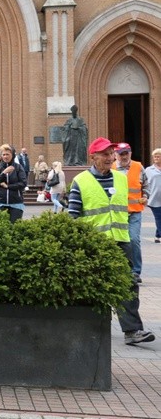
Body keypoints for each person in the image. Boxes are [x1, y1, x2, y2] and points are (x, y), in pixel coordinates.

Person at [68, 137, 155, 346]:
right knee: (90, 286)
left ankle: (132, 331)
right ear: (93, 157)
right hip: (94, 244)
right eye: (105, 154)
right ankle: (85, 328)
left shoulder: (121, 178)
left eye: (111, 154)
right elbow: (73, 216)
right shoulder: (80, 181)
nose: (109, 158)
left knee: (128, 284)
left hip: (121, 242)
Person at [112, 142, 148, 283]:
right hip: (117, 212)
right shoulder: (112, 168)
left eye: (126, 153)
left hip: (134, 211)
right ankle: (119, 269)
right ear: (116, 155)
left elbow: (145, 184)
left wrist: (145, 195)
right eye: (121, 154)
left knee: (133, 239)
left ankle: (135, 271)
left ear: (130, 153)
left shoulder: (138, 167)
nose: (124, 156)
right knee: (118, 241)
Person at [0, 144, 27, 222]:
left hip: (16, 202)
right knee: (0, 227)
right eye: (3, 154)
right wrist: (3, 173)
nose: (5, 156)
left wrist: (8, 186)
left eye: (8, 154)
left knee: (14, 227)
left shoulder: (18, 167)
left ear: (12, 155)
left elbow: (23, 183)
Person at [145, 149, 161, 244]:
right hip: (154, 198)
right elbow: (145, 183)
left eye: (158, 156)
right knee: (159, 217)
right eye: (155, 156)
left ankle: (157, 236)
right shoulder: (149, 170)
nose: (156, 158)